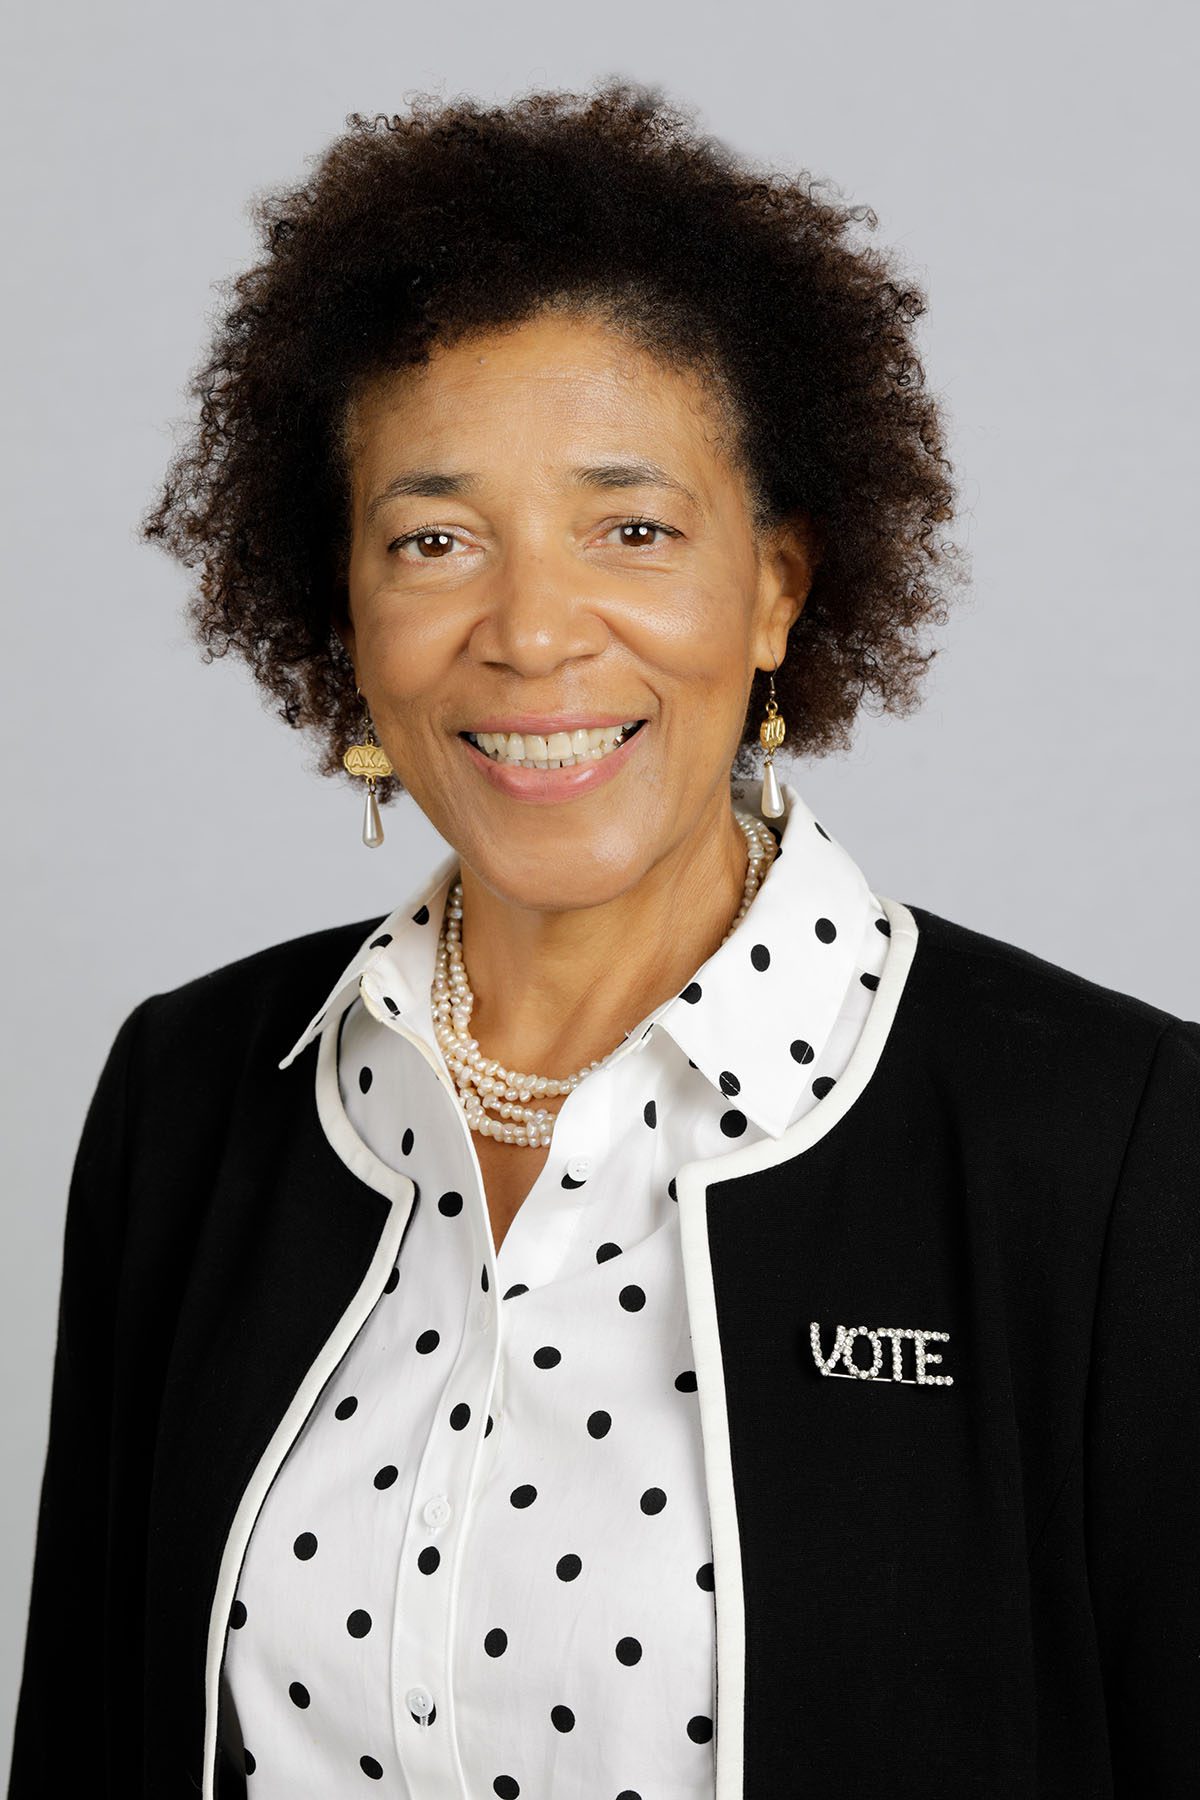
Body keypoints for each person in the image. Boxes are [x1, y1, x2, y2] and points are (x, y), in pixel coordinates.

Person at [9, 79, 1198, 1800]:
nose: (535, 631)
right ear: (344, 612)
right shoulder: (192, 1095)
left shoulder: (1111, 1146)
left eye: (632, 529)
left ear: (779, 583)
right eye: (436, 540)